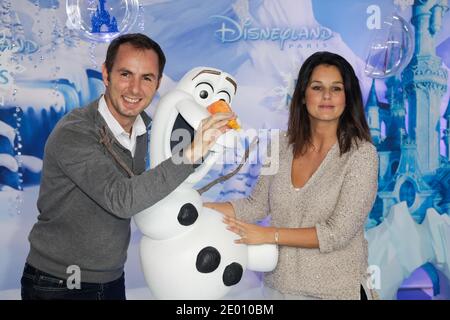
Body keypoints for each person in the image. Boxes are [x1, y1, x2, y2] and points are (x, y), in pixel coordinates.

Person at [21, 33, 235, 300]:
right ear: (106, 74)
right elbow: (121, 199)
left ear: (157, 84)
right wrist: (193, 152)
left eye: (147, 78)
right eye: (125, 74)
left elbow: (164, 177)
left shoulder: (148, 129)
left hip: (110, 277)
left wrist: (210, 139)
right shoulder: (75, 132)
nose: (135, 89)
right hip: (59, 283)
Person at [205, 51, 379, 300]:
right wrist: (200, 208)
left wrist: (269, 235)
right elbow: (256, 205)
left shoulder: (362, 154)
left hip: (337, 292)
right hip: (278, 290)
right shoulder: (278, 145)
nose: (327, 96)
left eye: (337, 88)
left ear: (347, 97)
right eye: (317, 87)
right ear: (303, 95)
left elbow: (336, 233)